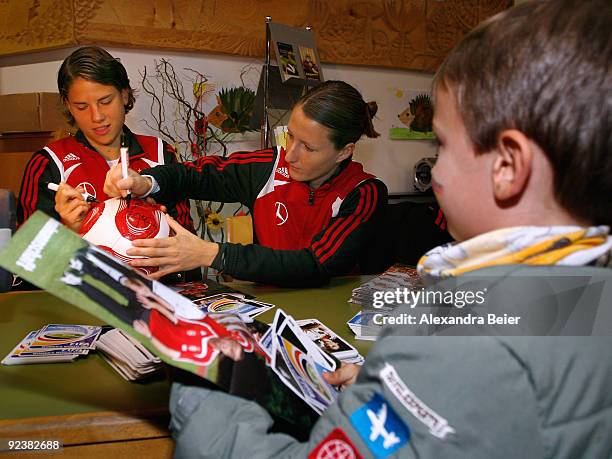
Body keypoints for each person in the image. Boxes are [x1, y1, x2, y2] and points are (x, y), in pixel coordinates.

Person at [166, 1, 612, 457]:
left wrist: (204, 378)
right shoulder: (586, 295)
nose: (434, 173)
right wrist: (394, 387)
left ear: (508, 166)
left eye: (443, 144)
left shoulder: (470, 347)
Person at [104, 80, 388, 287]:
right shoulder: (268, 166)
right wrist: (146, 181)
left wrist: (210, 253)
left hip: (330, 313)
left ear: (344, 151)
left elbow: (315, 265)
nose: (290, 154)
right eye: (290, 136)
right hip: (269, 305)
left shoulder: (364, 193)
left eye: (308, 148)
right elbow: (195, 174)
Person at [17, 46, 193, 234]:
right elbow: (24, 258)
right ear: (68, 106)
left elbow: (188, 245)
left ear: (124, 95)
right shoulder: (48, 163)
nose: (97, 117)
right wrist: (69, 230)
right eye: (82, 106)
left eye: (106, 101)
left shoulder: (159, 153)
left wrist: (164, 230)